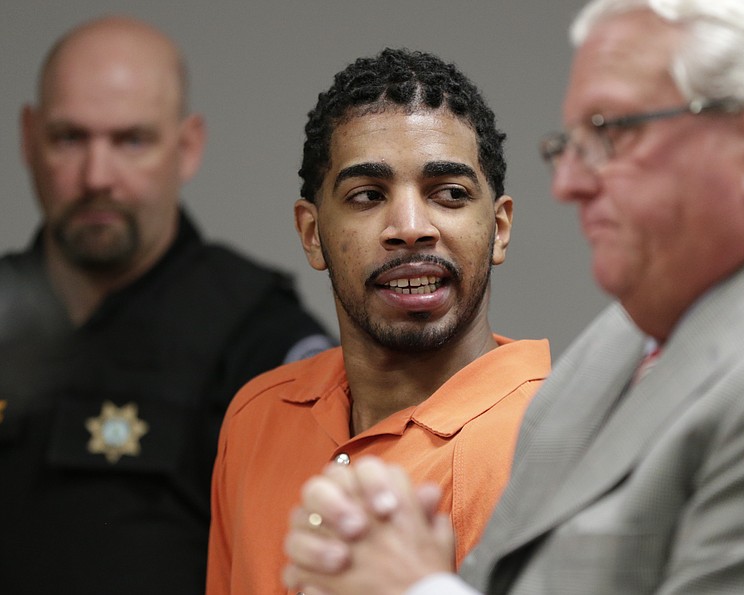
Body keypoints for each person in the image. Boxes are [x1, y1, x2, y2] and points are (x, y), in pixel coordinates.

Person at [282, 1, 744, 594]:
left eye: (612, 133)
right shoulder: (614, 346)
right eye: (572, 143)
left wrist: (413, 588)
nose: (568, 184)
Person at [0, 16, 332, 595]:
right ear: (29, 138)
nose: (96, 176)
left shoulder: (258, 336)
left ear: (187, 147)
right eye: (69, 138)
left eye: (132, 141)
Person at [205, 48, 551, 594]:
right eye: (367, 196)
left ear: (500, 227)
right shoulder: (256, 416)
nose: (410, 228)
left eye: (450, 194)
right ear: (311, 233)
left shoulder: (560, 432)